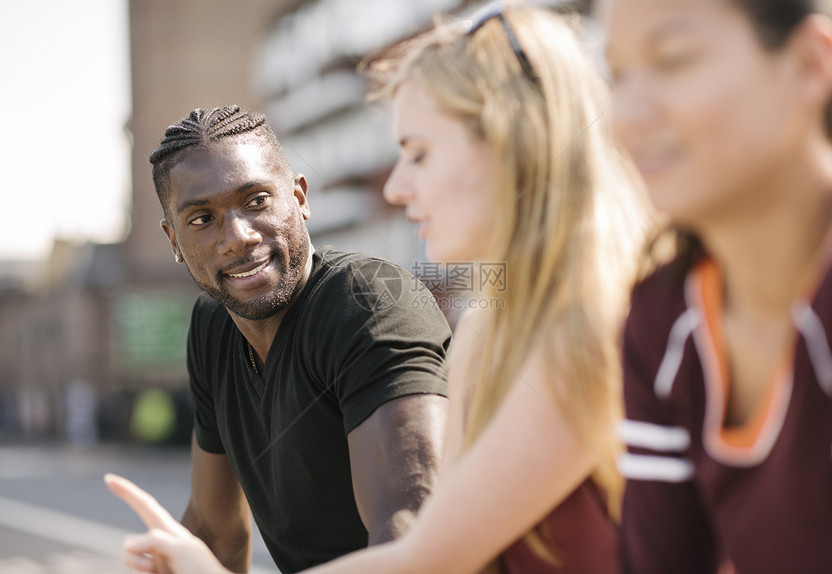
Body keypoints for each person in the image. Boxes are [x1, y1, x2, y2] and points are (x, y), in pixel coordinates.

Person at [106, 3, 651, 573]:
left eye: (419, 152)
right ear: (173, 237)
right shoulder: (488, 329)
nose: (395, 185)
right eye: (201, 220)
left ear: (512, 145)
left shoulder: (584, 329)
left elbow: (422, 554)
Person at [108, 105, 452, 573]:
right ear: (173, 241)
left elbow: (411, 542)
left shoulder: (367, 303)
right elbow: (215, 535)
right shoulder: (213, 326)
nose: (237, 237)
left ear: (300, 198)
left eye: (256, 201)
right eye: (201, 219)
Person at [601, 0, 832, 571]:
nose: (626, 115)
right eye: (617, 75)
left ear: (811, 65)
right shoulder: (661, 315)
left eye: (673, 61)